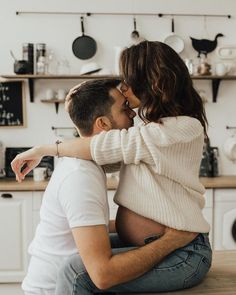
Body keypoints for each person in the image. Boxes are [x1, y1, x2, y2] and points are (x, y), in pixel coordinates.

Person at [11, 41, 212, 294]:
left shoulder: (181, 128)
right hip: (166, 243)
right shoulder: (149, 133)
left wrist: (45, 149)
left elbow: (104, 146)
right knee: (82, 258)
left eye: (127, 82)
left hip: (183, 253)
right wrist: (80, 105)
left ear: (154, 82)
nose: (124, 89)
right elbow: (104, 148)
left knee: (78, 270)